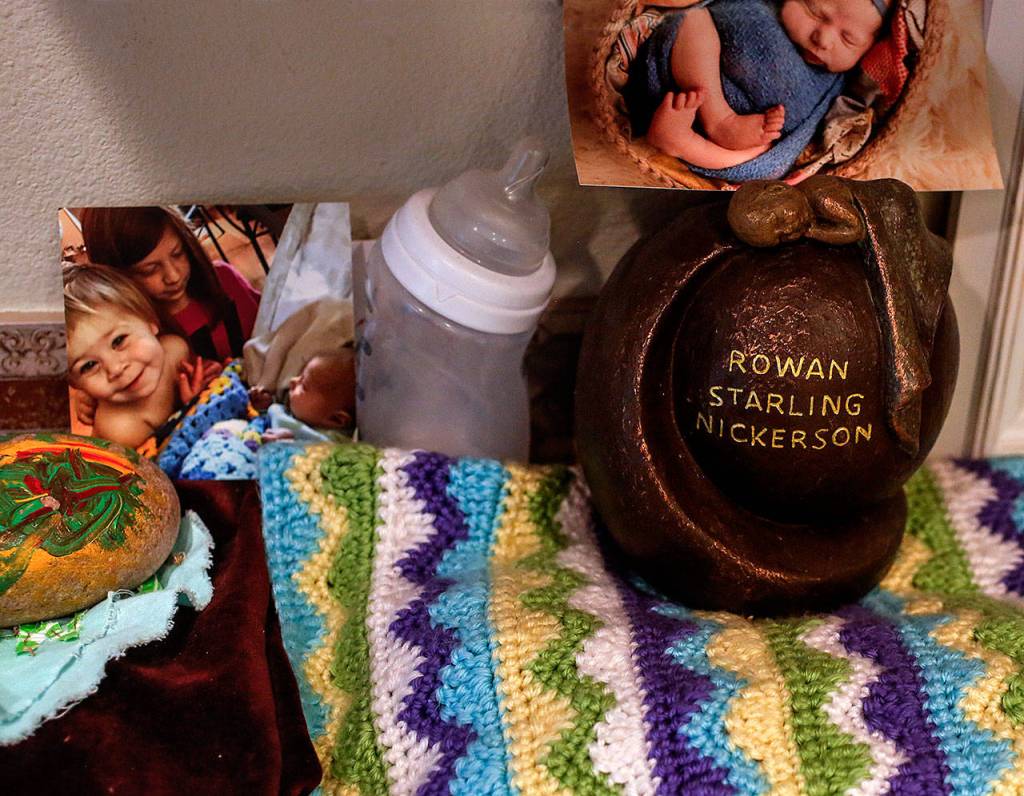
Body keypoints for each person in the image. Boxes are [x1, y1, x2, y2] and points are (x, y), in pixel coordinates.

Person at [626, 0, 890, 174]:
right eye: (814, 12)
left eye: (848, 39)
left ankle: (681, 142)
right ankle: (718, 119)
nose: (822, 38)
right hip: (690, 82)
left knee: (770, 146)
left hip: (744, 132)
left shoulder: (840, 85)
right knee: (692, 20)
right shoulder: (761, 7)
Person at [64, 264, 220, 448]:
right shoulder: (121, 430)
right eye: (88, 365)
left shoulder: (176, 349)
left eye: (118, 341)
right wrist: (192, 412)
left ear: (150, 321)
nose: (115, 369)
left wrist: (203, 387)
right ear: (76, 385)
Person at [80, 207, 261, 362]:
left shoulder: (224, 278)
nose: (173, 276)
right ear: (117, 277)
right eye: (149, 270)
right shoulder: (127, 337)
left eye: (178, 253)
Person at [250, 348, 357, 442]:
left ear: (336, 419)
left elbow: (319, 458)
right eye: (299, 376)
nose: (292, 380)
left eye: (304, 386)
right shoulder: (297, 412)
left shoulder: (331, 442)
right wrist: (265, 405)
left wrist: (291, 444)